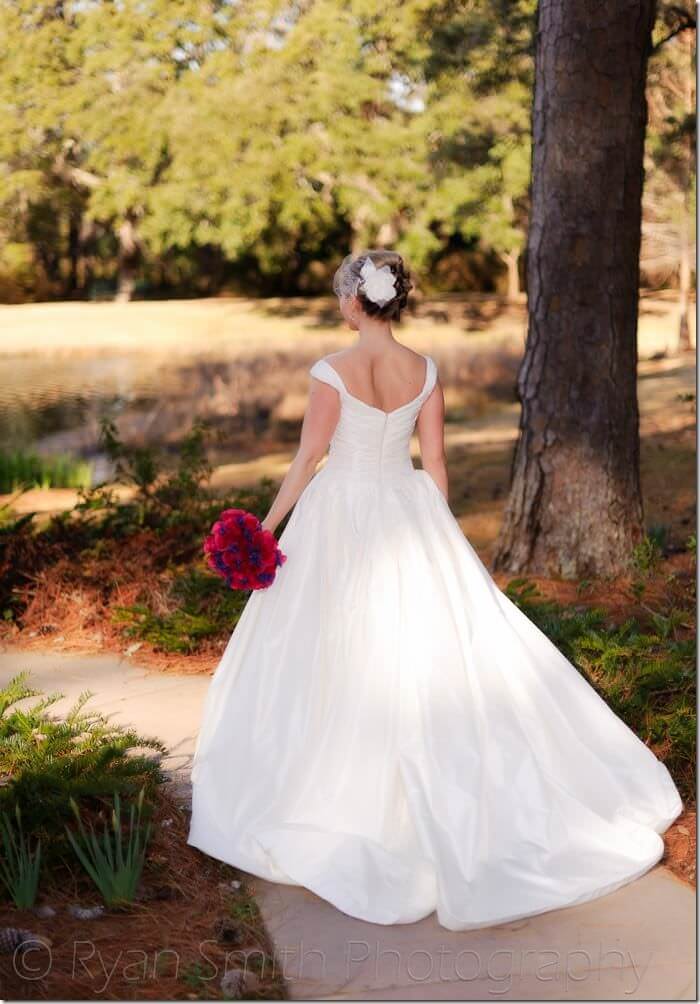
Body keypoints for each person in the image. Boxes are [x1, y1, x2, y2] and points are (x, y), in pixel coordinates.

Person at [187, 249, 683, 931]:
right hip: (406, 510)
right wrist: (440, 539)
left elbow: (308, 460)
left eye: (341, 295)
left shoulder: (331, 371)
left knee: (327, 650)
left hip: (340, 513)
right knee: (419, 646)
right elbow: (437, 464)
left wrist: (262, 531)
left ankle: (330, 788)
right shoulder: (424, 370)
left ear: (353, 302)